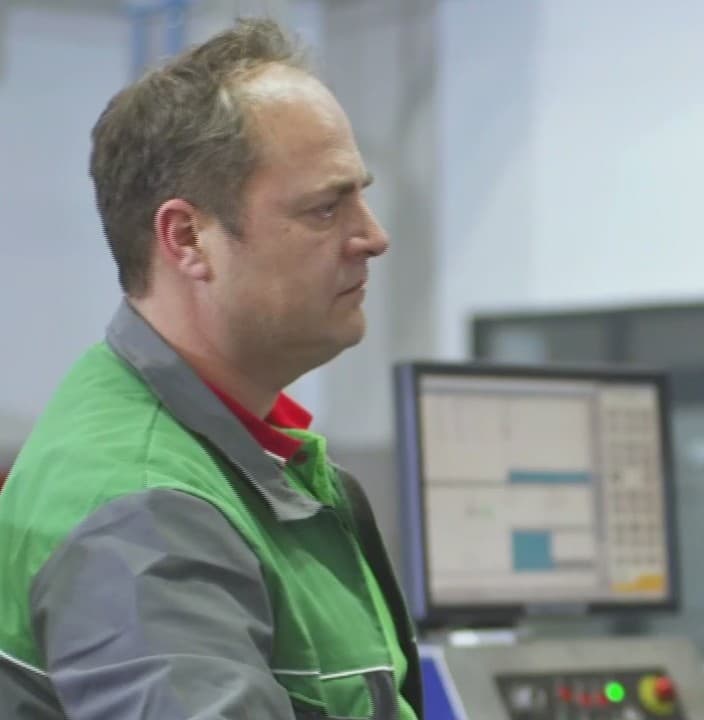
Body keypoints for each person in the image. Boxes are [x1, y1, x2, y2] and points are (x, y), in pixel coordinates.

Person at [0, 18, 421, 720]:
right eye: (325, 208)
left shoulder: (245, 458)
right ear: (187, 237)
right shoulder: (144, 512)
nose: (373, 237)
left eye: (361, 196)